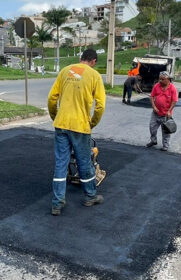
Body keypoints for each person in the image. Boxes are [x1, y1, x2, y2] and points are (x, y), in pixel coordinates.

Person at [48, 49, 106, 216]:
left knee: (61, 163)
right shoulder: (94, 76)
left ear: (81, 59)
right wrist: (92, 123)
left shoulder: (65, 71)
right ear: (93, 61)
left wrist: (55, 117)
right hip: (80, 126)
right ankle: (90, 196)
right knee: (84, 162)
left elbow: (52, 98)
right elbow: (101, 106)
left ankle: (57, 203)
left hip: (61, 125)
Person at [146, 71, 178, 151]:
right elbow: (152, 96)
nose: (160, 81)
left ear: (168, 79)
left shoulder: (172, 88)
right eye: (159, 79)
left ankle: (165, 146)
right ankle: (153, 140)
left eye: (162, 79)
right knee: (152, 127)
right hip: (156, 113)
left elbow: (174, 101)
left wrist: (169, 111)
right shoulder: (156, 86)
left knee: (166, 131)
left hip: (166, 114)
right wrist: (154, 107)